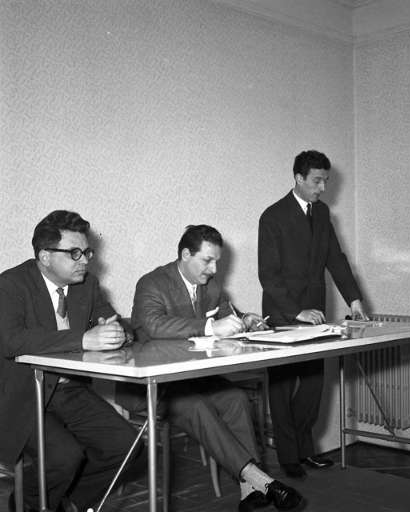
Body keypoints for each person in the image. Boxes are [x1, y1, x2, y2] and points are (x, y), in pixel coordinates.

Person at [117, 225, 304, 512]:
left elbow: (230, 316)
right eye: (207, 261)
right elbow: (153, 326)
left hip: (190, 379)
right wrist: (210, 327)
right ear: (185, 254)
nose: (214, 269)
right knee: (196, 406)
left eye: (217, 261)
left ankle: (248, 490)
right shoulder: (152, 283)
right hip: (151, 385)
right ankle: (263, 481)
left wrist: (246, 320)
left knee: (236, 398)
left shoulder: (212, 287)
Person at [0, 210, 146, 512]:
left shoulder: (87, 285)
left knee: (128, 445)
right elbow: (11, 340)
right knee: (64, 457)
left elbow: (115, 321)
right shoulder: (11, 285)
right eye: (75, 253)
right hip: (22, 395)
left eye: (87, 252)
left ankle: (70, 502)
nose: (85, 261)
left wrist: (120, 332)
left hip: (69, 391)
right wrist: (83, 339)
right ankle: (27, 505)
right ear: (45, 256)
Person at [258, 150, 368, 479]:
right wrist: (297, 312)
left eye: (326, 181)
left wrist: (354, 300)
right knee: (281, 389)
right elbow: (268, 275)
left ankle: (305, 450)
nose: (322, 188)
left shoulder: (322, 213)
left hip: (317, 315)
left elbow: (336, 259)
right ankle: (288, 456)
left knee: (312, 385)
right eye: (317, 181)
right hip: (282, 315)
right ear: (299, 178)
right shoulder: (272, 216)